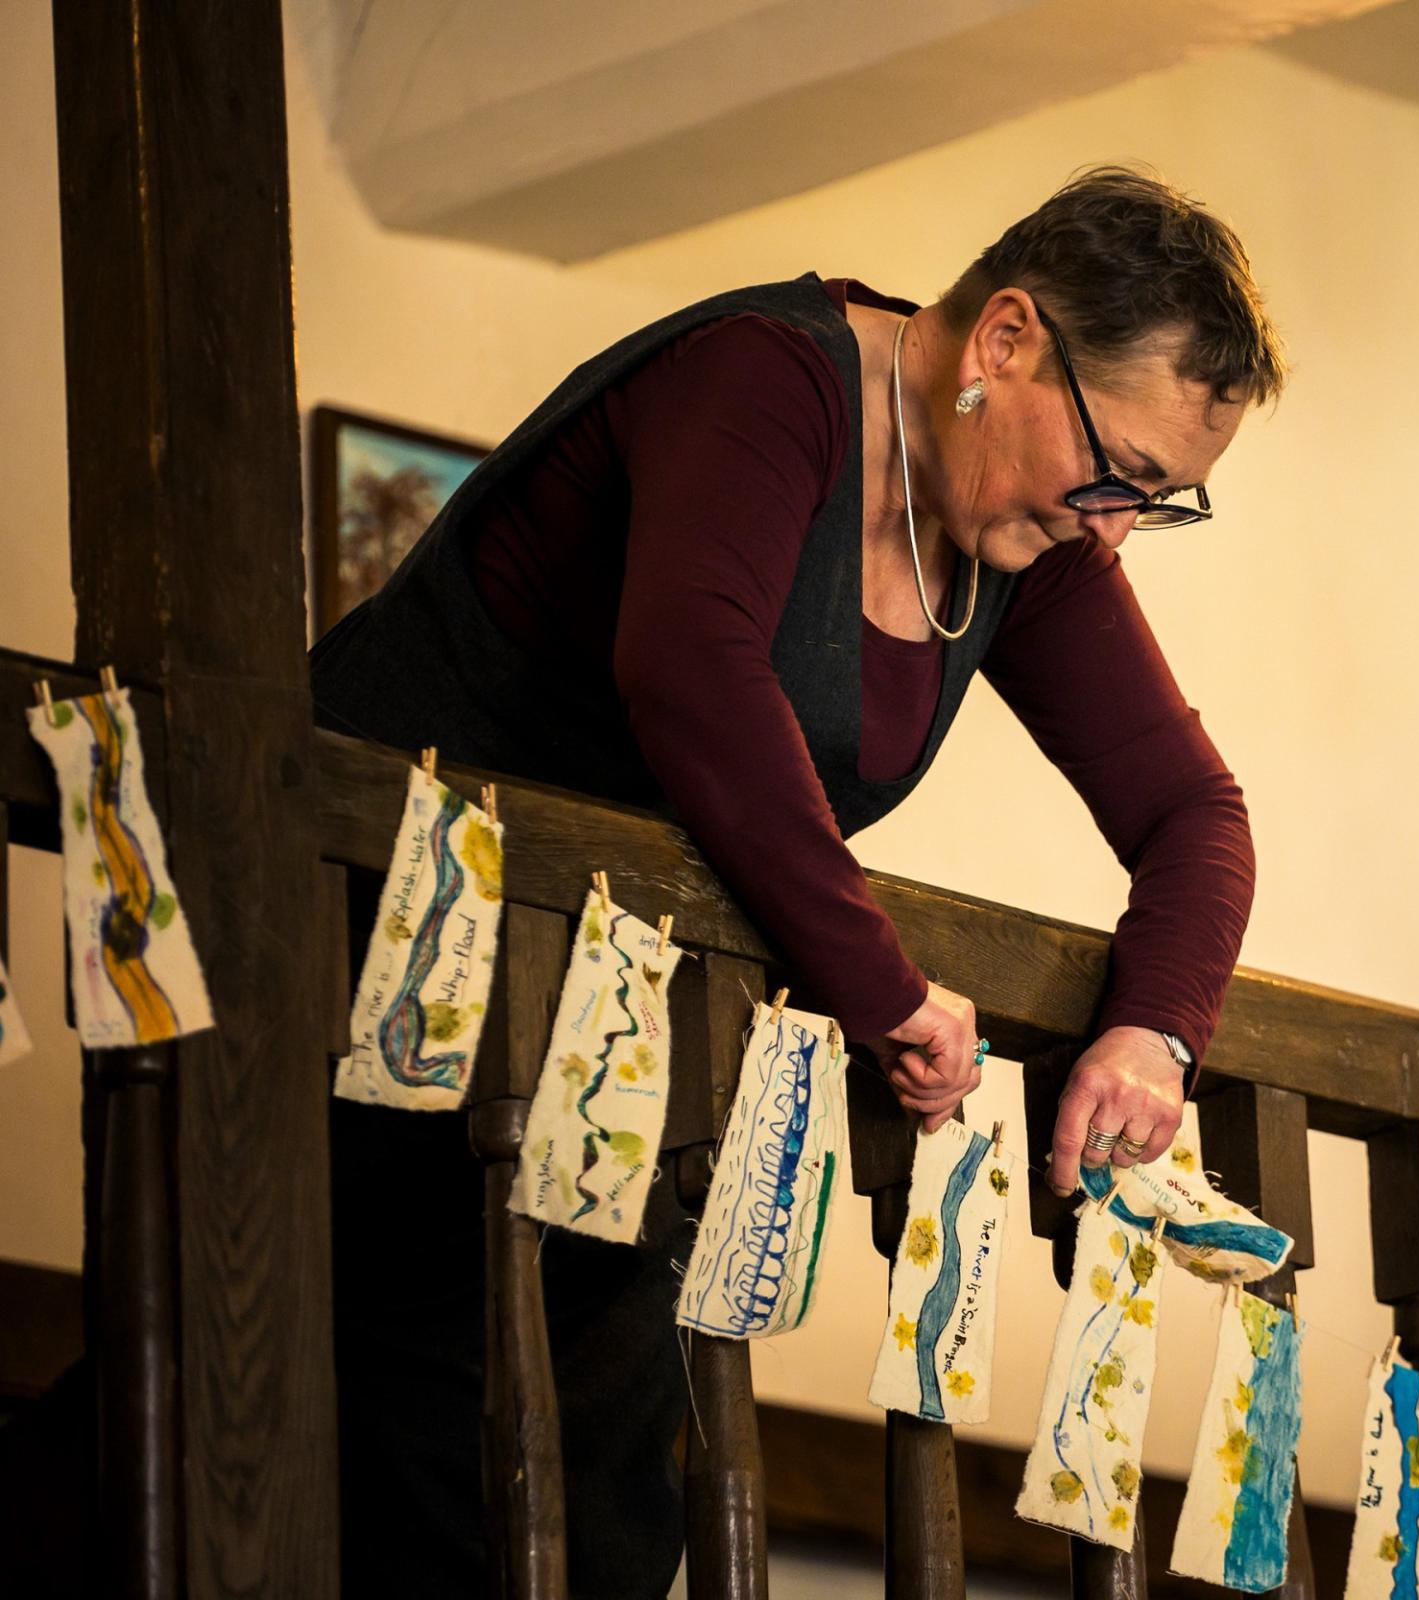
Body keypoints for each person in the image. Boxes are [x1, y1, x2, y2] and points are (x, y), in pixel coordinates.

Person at [308, 165, 1285, 1596]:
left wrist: (1157, 1030)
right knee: (344, 1445)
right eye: (1119, 471)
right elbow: (692, 674)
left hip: (612, 1046)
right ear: (1006, 340)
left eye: (1159, 501)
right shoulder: (771, 380)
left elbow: (1195, 808)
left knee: (607, 1512)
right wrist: (877, 984)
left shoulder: (1029, 530)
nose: (1116, 525)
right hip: (377, 968)